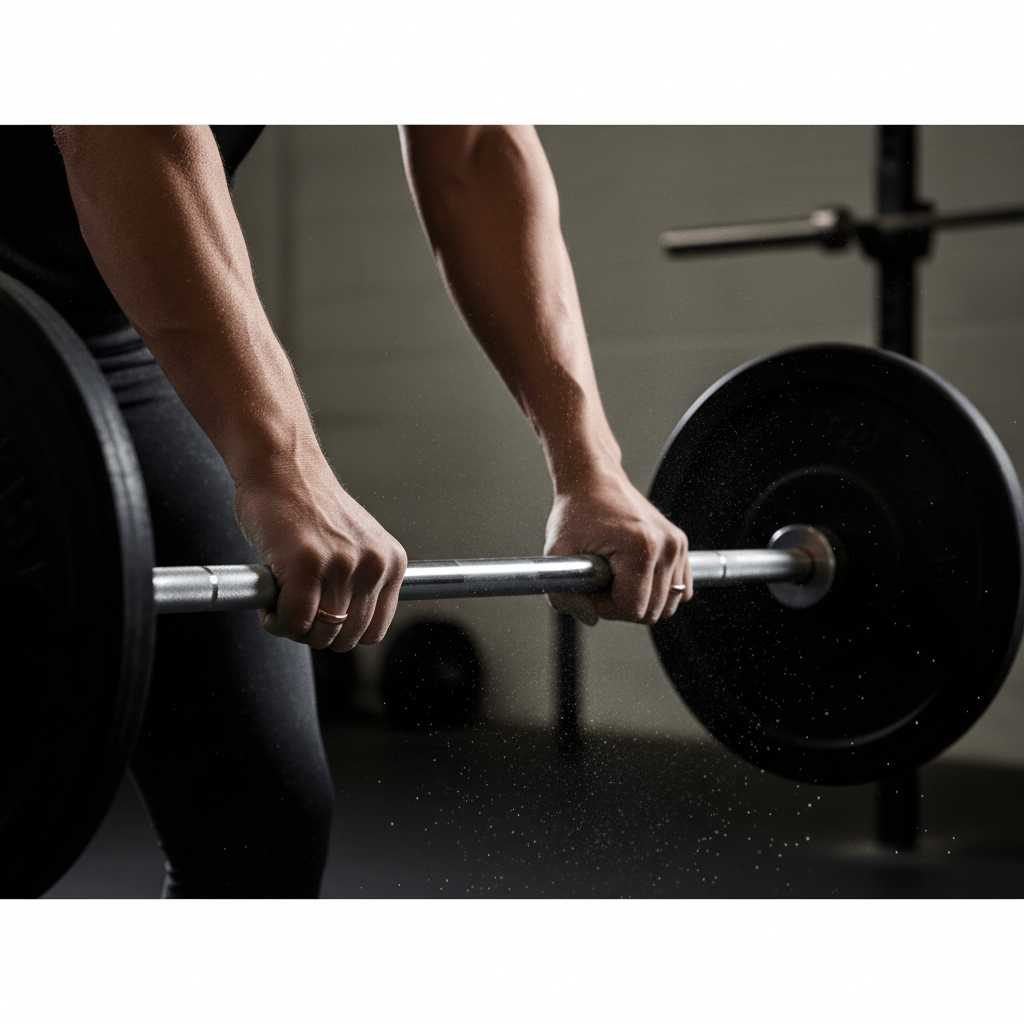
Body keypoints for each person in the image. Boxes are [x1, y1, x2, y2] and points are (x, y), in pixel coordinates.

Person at [1, 125, 691, 896]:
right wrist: (282, 469)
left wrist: (590, 469)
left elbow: (475, 147)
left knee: (258, 835)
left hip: (106, 322)